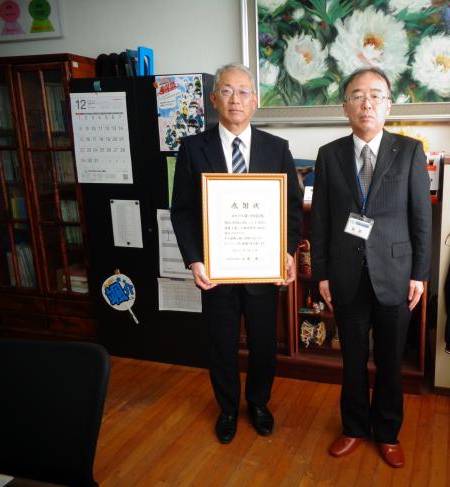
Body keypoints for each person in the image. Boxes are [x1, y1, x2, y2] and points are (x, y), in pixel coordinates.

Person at [171, 62, 302, 444]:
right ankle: (227, 408)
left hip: (262, 268)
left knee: (263, 343)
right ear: (214, 99)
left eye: (243, 91)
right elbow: (182, 210)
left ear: (255, 100)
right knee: (221, 344)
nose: (236, 99)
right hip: (217, 269)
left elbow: (292, 208)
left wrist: (287, 252)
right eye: (227, 91)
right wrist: (195, 259)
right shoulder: (193, 148)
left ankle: (258, 403)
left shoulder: (277, 148)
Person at [310, 67, 431, 468]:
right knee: (353, 360)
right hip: (346, 274)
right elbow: (322, 219)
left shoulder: (410, 151)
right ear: (345, 106)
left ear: (388, 105)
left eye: (376, 95)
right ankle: (354, 427)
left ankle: (388, 432)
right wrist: (321, 273)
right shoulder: (329, 155)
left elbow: (421, 218)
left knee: (391, 361)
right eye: (358, 96)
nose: (367, 104)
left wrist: (420, 274)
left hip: (396, 274)